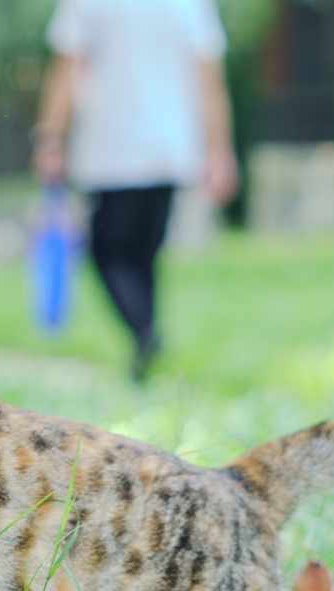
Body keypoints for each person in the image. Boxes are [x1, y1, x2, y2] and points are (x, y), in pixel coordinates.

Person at [33, 0, 238, 382]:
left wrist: (50, 138)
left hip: (112, 146)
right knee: (144, 254)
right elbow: (209, 79)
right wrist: (219, 149)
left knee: (107, 251)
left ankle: (145, 334)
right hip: (171, 147)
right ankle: (146, 340)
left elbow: (66, 67)